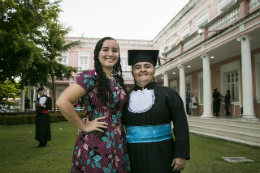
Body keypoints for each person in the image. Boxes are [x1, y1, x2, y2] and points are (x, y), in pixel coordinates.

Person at [56, 37, 131, 173]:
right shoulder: (90, 77)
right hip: (96, 142)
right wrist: (83, 125)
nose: (110, 54)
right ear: (97, 54)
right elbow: (62, 102)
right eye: (105, 49)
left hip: (119, 142)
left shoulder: (118, 81)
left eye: (115, 50)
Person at [122, 50, 190, 173]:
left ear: (154, 70)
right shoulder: (124, 97)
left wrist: (181, 154)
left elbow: (181, 124)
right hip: (132, 154)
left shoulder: (169, 94)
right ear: (133, 72)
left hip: (163, 152)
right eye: (138, 67)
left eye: (147, 66)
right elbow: (112, 119)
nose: (142, 70)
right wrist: (87, 120)